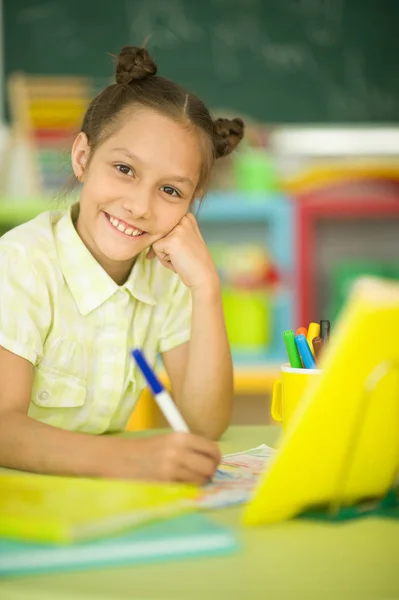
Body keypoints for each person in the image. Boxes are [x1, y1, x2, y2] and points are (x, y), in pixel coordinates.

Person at [0, 46, 245, 484]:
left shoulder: (169, 280)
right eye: (124, 169)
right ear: (82, 158)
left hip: (90, 500)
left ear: (192, 206)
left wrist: (206, 287)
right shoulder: (20, 265)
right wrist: (127, 461)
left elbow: (206, 424)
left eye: (170, 191)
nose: (139, 206)